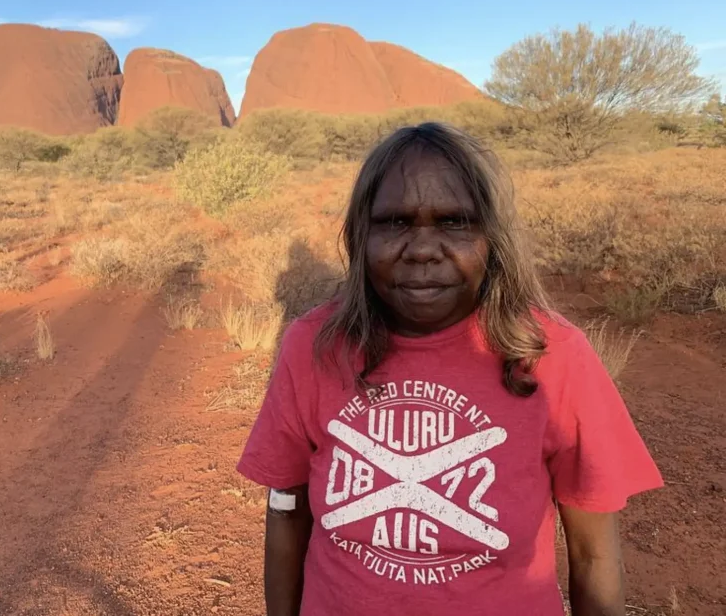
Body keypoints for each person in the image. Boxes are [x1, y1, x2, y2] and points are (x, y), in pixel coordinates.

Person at [237, 123, 663, 616]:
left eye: (454, 221)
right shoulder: (314, 346)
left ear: (491, 238)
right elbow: (286, 509)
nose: (422, 249)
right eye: (394, 222)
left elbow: (593, 555)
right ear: (359, 237)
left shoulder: (552, 354)